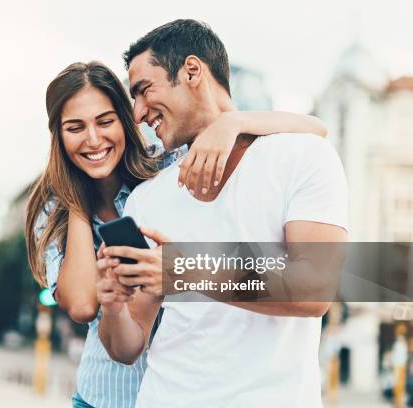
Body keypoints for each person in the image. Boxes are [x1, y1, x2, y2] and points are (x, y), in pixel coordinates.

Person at [25, 61, 329, 408]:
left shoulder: (166, 171)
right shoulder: (53, 209)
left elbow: (315, 128)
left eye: (105, 121)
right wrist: (76, 198)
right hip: (106, 396)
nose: (93, 139)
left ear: (126, 121)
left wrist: (232, 122)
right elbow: (81, 305)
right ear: (59, 137)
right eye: (75, 128)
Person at [96, 19, 348, 407]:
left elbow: (314, 288)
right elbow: (129, 346)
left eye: (144, 91)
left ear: (192, 71)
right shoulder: (146, 199)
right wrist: (113, 308)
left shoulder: (302, 157)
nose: (139, 113)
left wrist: (183, 268)